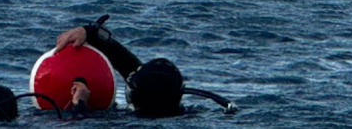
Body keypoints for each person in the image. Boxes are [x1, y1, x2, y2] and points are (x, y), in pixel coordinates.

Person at [55, 15, 229, 118]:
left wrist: (80, 106)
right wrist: (91, 33)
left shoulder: (129, 123)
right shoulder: (183, 113)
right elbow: (135, 70)